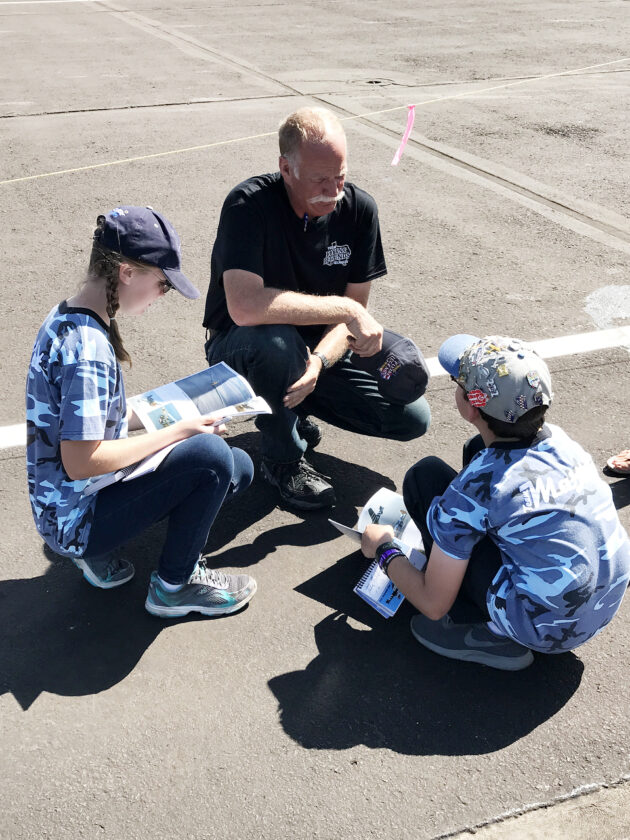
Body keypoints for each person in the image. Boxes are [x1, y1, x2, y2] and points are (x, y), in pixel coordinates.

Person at [26, 206, 257, 618]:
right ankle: (174, 586)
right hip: (77, 518)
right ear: (128, 273)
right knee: (213, 459)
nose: (163, 295)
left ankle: (100, 554)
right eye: (162, 284)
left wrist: (175, 413)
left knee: (237, 466)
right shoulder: (90, 353)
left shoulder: (68, 317)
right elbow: (81, 462)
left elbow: (91, 417)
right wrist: (181, 431)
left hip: (62, 505)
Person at [203, 107, 431, 510]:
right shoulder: (248, 205)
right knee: (276, 346)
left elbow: (353, 314)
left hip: (316, 349)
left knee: (412, 417)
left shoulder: (360, 211)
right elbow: (244, 307)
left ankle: (294, 408)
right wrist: (343, 310)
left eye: (340, 176)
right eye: (320, 179)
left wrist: (320, 363)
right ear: (286, 169)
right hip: (242, 344)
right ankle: (283, 459)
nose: (333, 189)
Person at [361, 334, 630, 671]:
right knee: (477, 449)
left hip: (544, 631)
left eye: (458, 382)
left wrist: (384, 550)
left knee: (424, 477)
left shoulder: (473, 491)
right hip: (601, 606)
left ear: (471, 406)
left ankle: (492, 634)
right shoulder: (564, 444)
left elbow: (433, 604)